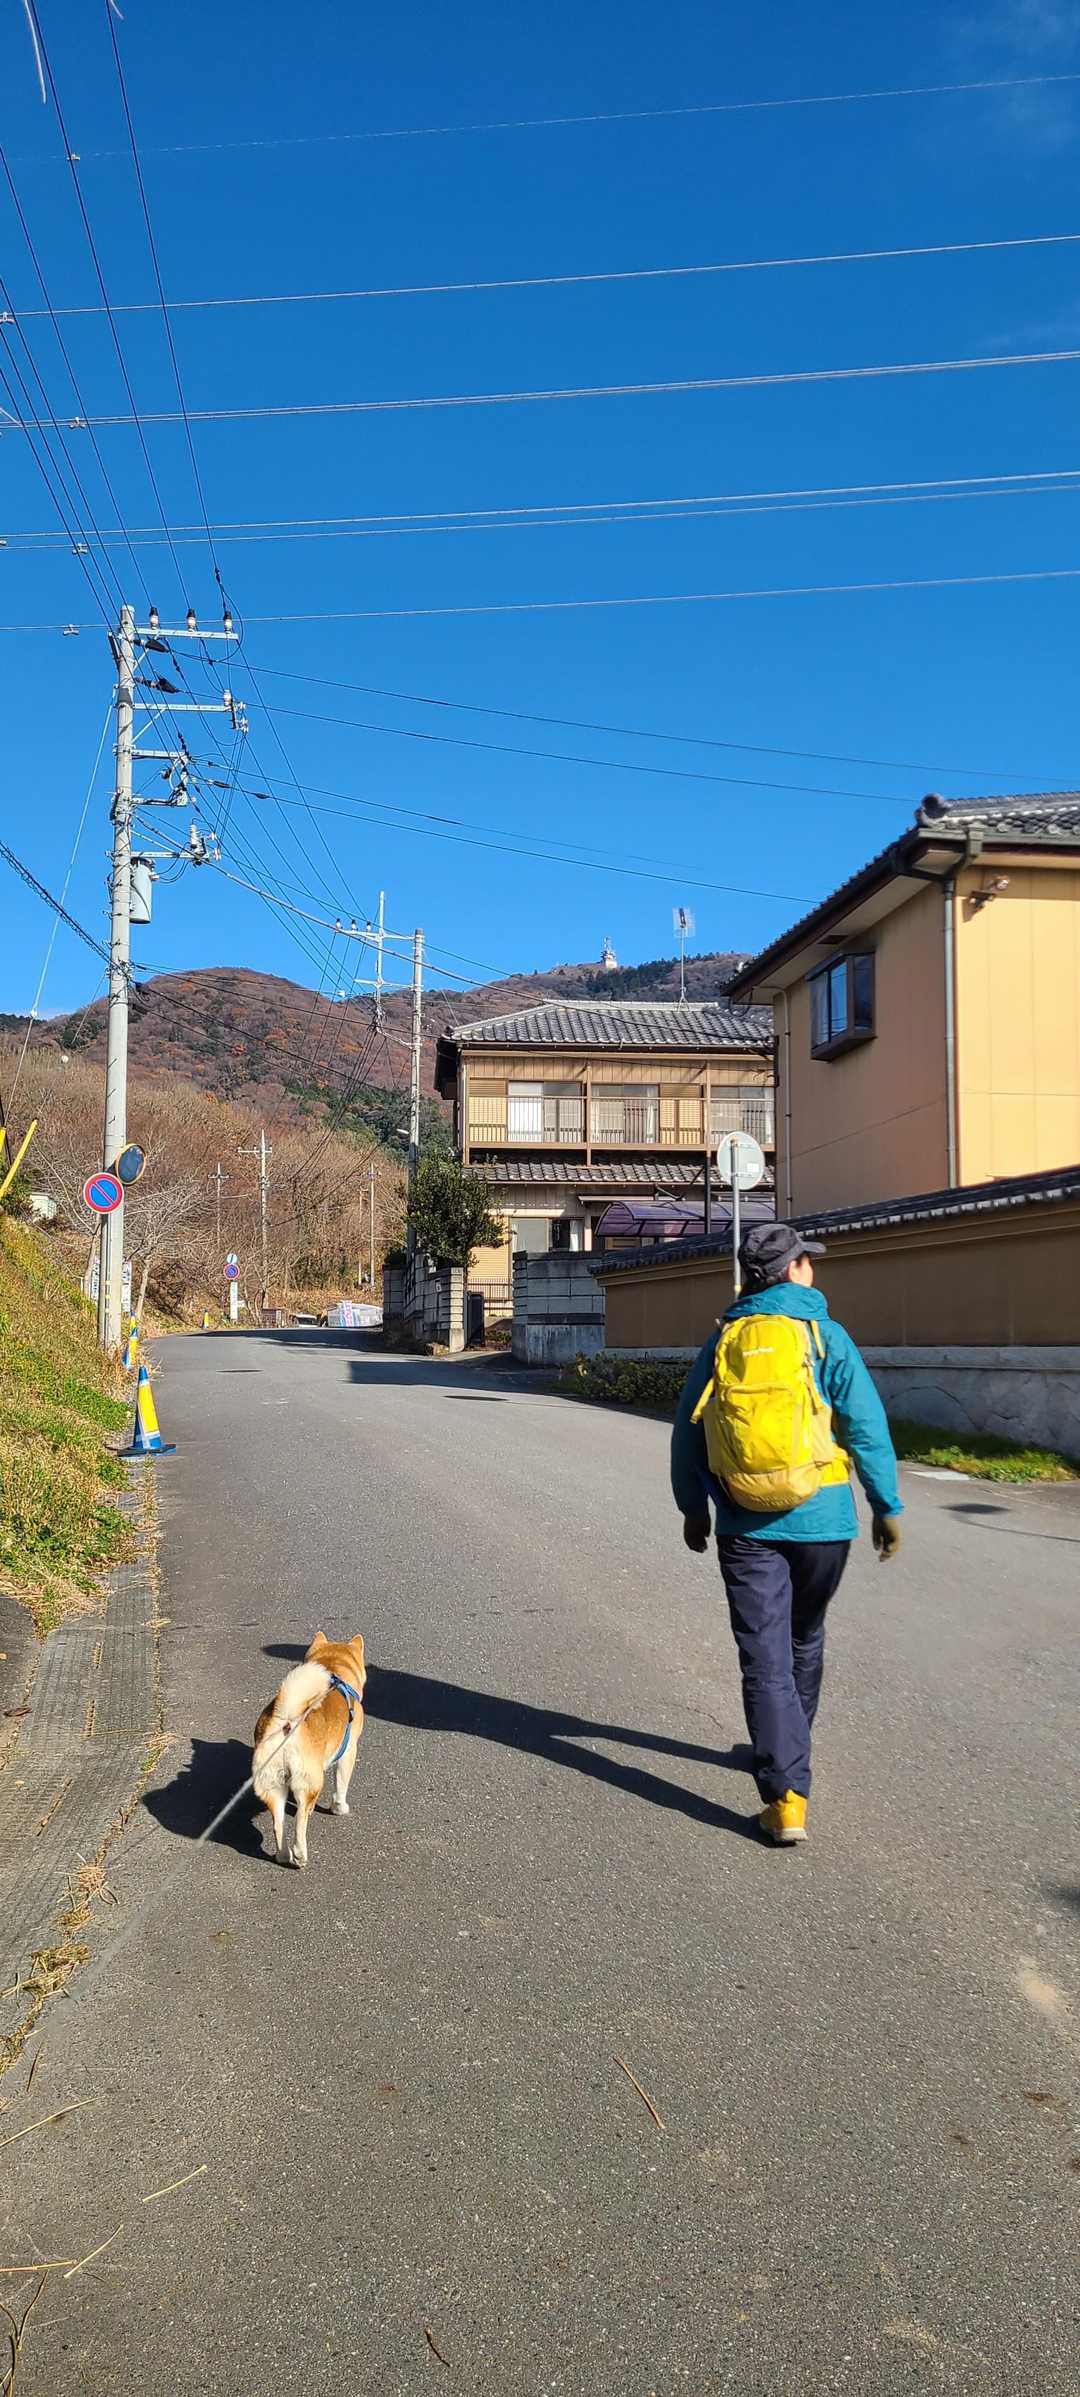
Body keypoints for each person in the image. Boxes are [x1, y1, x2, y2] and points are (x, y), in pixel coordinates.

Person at [671, 1221, 902, 1845]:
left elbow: (687, 1431)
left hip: (744, 1521)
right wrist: (886, 1505)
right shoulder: (825, 1336)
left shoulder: (725, 1338)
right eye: (807, 1260)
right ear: (794, 1270)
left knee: (763, 1655)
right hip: (824, 1520)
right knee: (804, 1636)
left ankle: (785, 1796)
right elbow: (865, 1424)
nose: (812, 1268)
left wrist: (694, 1508)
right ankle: (788, 1749)